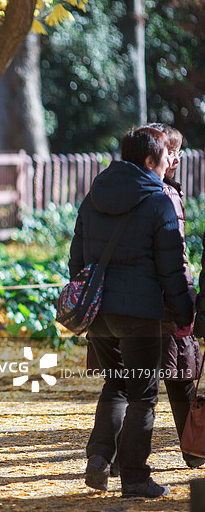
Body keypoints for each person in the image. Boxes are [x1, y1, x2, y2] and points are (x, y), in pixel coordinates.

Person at [71, 126, 195, 498]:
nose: (167, 167)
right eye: (163, 160)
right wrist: (184, 315)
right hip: (140, 314)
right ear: (148, 160)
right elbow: (172, 267)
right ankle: (136, 478)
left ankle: (98, 457)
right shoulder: (158, 201)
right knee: (143, 395)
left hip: (98, 313)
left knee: (116, 385)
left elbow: (76, 259)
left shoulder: (93, 196)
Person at [145, 123, 205, 469]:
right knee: (178, 374)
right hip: (165, 302)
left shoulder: (162, 189)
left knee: (140, 381)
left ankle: (121, 457)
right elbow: (174, 256)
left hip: (145, 302)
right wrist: (185, 305)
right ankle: (194, 448)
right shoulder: (164, 195)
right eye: (172, 150)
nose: (178, 157)